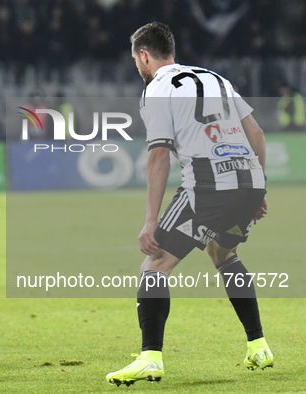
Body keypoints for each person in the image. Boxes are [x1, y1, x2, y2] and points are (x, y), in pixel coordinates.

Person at [106, 22, 272, 386]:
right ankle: (259, 345)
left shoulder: (157, 90)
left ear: (144, 55)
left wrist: (151, 221)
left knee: (154, 264)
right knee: (222, 253)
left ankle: (150, 357)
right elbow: (256, 134)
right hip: (247, 180)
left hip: (209, 186)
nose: (138, 66)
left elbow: (159, 156)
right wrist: (257, 189)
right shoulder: (216, 78)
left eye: (136, 59)